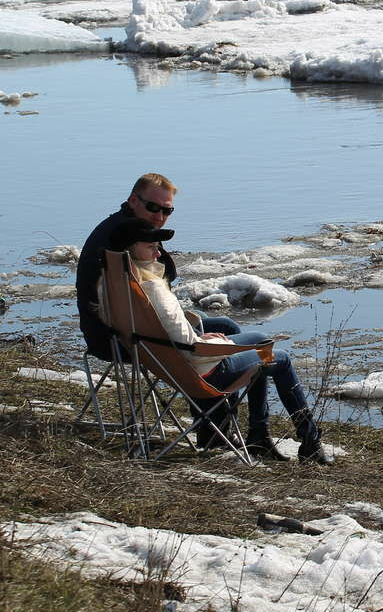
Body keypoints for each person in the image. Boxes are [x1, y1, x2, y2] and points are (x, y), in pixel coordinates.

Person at [101, 218, 333, 465]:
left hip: (168, 363)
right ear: (130, 250)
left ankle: (251, 434)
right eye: (151, 247)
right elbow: (191, 347)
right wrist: (203, 340)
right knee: (276, 355)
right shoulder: (154, 289)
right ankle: (309, 441)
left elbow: (168, 332)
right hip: (203, 370)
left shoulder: (117, 284)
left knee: (248, 337)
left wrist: (197, 337)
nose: (159, 252)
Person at [77, 173, 244, 361]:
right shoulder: (126, 240)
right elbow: (147, 305)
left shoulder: (123, 229)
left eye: (167, 211)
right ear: (133, 200)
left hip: (108, 335)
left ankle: (221, 381)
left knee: (212, 321)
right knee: (231, 333)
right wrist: (195, 339)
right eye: (153, 207)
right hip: (129, 340)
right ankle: (220, 384)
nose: (159, 216)